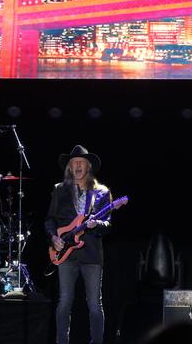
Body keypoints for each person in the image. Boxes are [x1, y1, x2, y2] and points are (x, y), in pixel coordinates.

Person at [44, 145, 112, 344]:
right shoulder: (59, 190)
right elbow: (50, 220)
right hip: (65, 254)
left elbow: (107, 224)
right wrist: (53, 239)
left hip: (91, 255)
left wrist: (96, 224)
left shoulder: (101, 192)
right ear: (69, 168)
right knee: (64, 302)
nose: (78, 166)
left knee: (94, 305)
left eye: (81, 162)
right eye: (74, 163)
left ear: (89, 166)